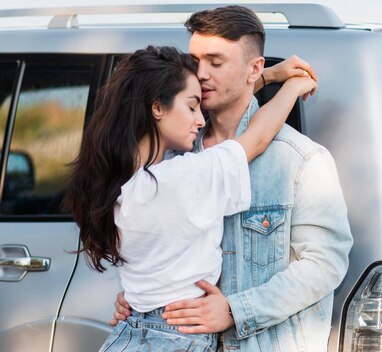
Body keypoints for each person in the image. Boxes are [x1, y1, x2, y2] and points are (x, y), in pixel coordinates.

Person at [112, 5, 353, 351]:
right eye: (195, 62)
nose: (202, 74)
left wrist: (235, 309)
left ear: (254, 68)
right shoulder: (174, 158)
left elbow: (325, 264)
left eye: (216, 62)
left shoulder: (300, 160)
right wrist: (140, 298)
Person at [63, 45, 316, 352]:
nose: (201, 119)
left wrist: (267, 76)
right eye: (193, 106)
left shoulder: (122, 181)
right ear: (157, 108)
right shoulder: (180, 179)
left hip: (132, 332)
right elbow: (258, 137)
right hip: (175, 338)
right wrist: (292, 86)